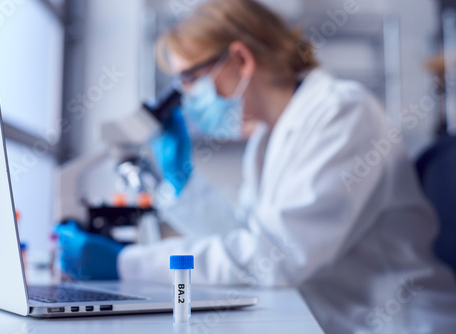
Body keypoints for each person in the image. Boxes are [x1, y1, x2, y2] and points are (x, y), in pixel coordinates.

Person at [56, 0, 456, 332]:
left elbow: (274, 258)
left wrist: (125, 263)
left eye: (190, 81)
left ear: (241, 59)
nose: (188, 99)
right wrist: (182, 182)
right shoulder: (267, 138)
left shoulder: (342, 113)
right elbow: (243, 238)